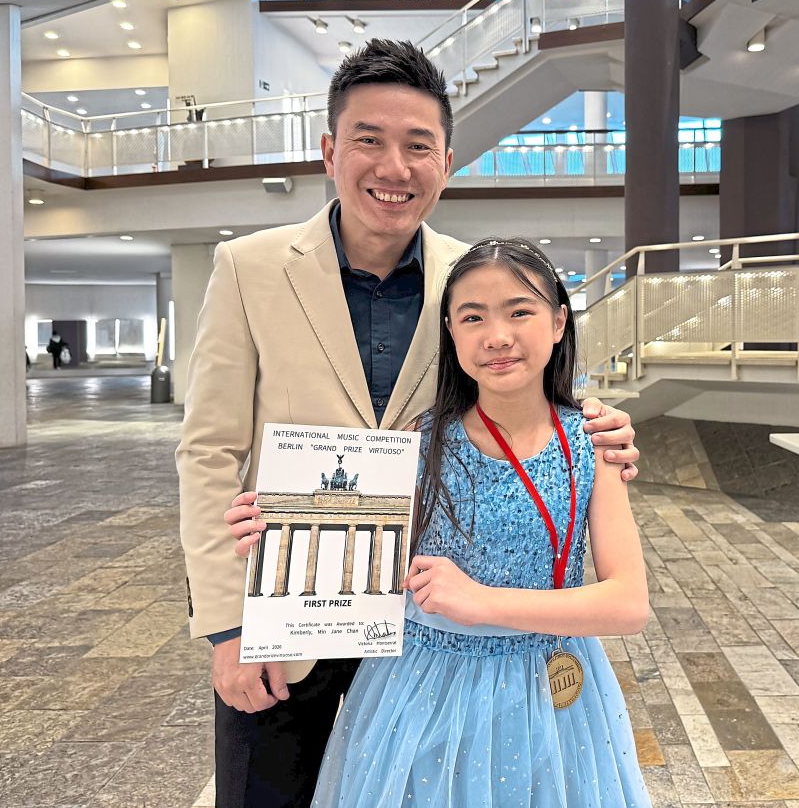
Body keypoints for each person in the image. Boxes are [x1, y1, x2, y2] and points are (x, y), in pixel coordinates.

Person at [176, 39, 640, 808]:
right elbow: (208, 454)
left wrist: (597, 423)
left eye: (417, 146)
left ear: (446, 163)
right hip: (291, 620)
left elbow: (525, 389)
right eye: (369, 140)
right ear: (330, 150)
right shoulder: (249, 268)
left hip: (431, 634)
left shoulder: (474, 280)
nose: (394, 168)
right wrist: (228, 628)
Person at [226, 239, 652, 808]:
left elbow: (628, 604)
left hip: (554, 696)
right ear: (451, 334)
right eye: (472, 317)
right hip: (423, 693)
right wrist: (276, 540)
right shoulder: (415, 447)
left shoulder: (592, 444)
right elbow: (362, 562)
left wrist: (478, 601)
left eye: (520, 311)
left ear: (557, 323)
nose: (497, 336)